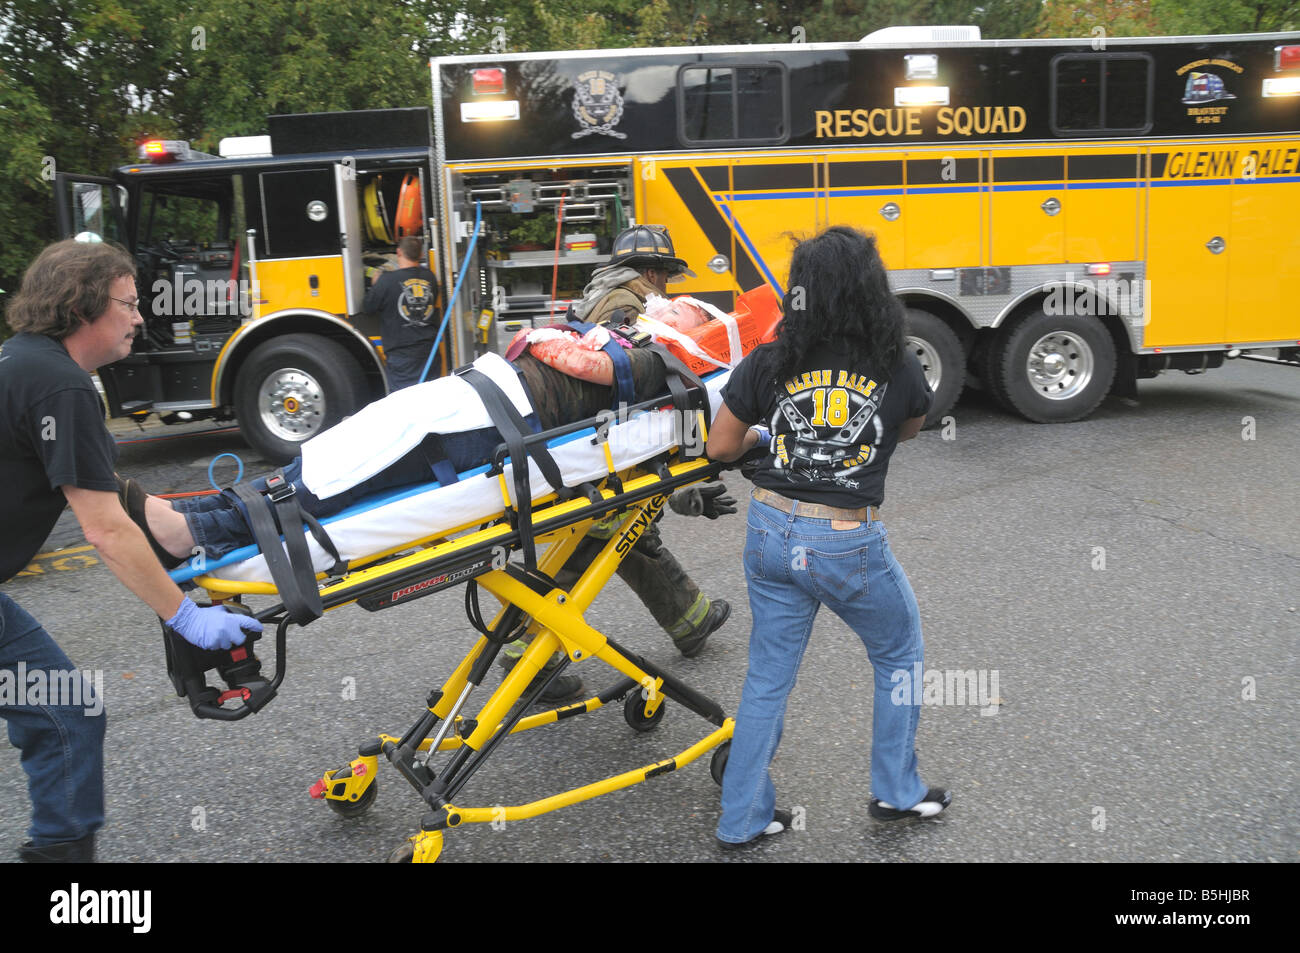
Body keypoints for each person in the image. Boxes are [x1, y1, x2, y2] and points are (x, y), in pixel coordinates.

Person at [0, 240, 262, 863]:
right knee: (64, 714)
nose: (140, 317)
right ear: (84, 307)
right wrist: (188, 616)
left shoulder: (27, 363)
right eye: (128, 303)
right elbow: (104, 531)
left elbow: (79, 474)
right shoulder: (62, 387)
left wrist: (159, 516)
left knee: (65, 712)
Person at [705, 226, 951, 850]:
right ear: (873, 292)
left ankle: (742, 820)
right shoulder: (895, 364)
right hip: (844, 540)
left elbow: (720, 446)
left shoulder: (769, 358)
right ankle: (896, 793)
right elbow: (912, 429)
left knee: (767, 677)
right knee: (898, 655)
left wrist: (770, 436)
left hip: (769, 527)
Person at [365, 235, 441, 389]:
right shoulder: (430, 277)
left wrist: (375, 284)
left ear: (398, 252)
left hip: (402, 356)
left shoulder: (386, 281)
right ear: (420, 255)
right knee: (431, 398)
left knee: (404, 403)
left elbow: (368, 307)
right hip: (429, 352)